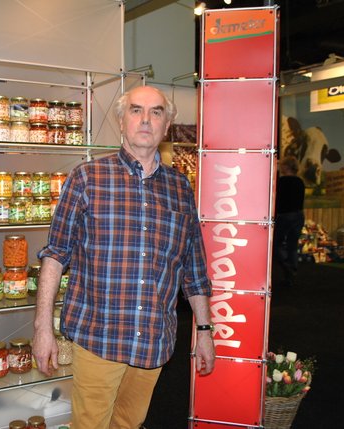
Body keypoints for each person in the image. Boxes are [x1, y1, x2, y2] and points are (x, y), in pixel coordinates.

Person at [32, 86, 215, 428]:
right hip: (99, 336)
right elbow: (55, 256)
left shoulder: (180, 188)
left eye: (156, 112)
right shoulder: (87, 178)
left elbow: (194, 268)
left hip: (154, 340)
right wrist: (43, 328)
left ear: (167, 125)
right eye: (135, 110)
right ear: (120, 121)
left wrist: (204, 330)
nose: (146, 119)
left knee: (129, 423)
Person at [273, 155, 305, 287]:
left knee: (276, 244)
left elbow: (278, 201)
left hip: (285, 216)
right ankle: (291, 273)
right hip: (299, 215)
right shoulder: (300, 182)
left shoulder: (282, 182)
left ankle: (287, 266)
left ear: (286, 167)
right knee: (292, 245)